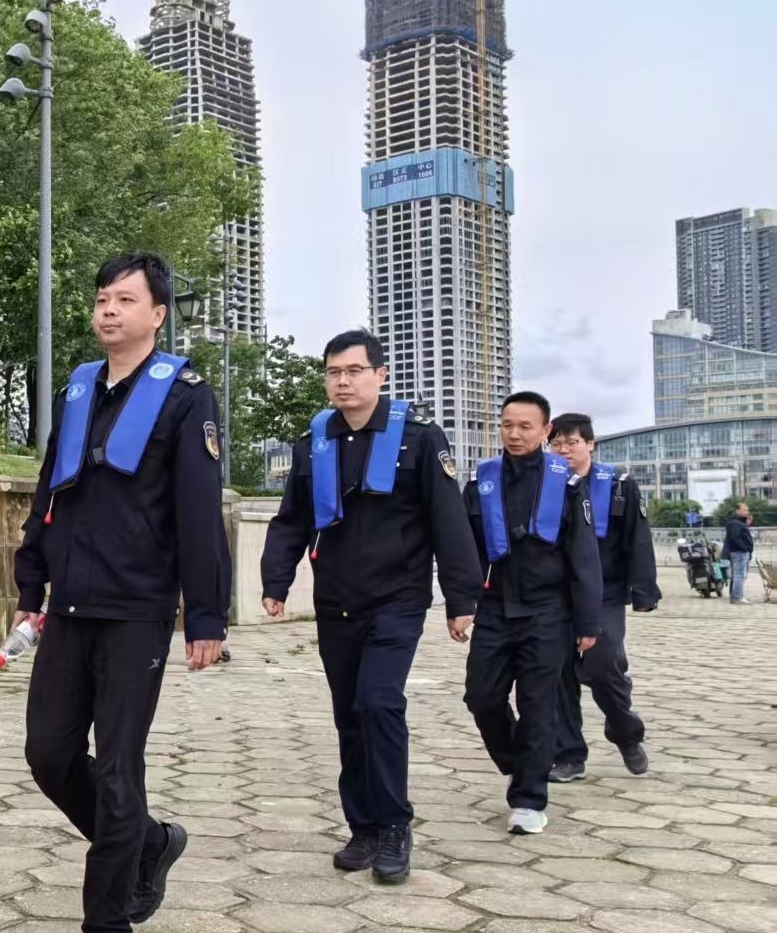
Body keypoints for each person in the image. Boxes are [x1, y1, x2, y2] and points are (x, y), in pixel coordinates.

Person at [13, 250, 230, 933]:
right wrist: (31, 583)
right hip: (71, 606)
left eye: (125, 299)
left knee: (117, 766)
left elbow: (200, 511)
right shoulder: (77, 388)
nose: (109, 309)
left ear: (158, 314)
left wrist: (205, 615)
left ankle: (109, 931)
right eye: (103, 297)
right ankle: (149, 842)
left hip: (138, 610)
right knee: (48, 753)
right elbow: (49, 494)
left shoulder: (185, 396)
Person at [260, 329, 482, 884]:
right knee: (349, 714)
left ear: (380, 375)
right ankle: (362, 827)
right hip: (336, 600)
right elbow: (291, 520)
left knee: (379, 703)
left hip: (397, 599)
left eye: (355, 370)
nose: (343, 381)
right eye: (334, 372)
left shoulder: (420, 439)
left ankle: (394, 825)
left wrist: (461, 599)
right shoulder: (314, 442)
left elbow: (449, 522)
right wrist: (275, 582)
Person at [462, 391, 602, 837]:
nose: (515, 434)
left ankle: (528, 799)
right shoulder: (481, 480)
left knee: (538, 705)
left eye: (525, 426)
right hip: (494, 608)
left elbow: (584, 556)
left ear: (546, 431)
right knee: (481, 697)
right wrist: (460, 603)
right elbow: (464, 549)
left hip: (548, 612)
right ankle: (519, 763)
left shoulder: (567, 484)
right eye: (507, 425)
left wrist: (587, 620)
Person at [546, 413, 659, 782]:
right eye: (557, 443)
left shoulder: (618, 487)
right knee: (558, 673)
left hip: (604, 594)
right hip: (555, 595)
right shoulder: (543, 484)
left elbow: (637, 539)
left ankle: (625, 732)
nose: (564, 450)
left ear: (590, 444)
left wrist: (644, 589)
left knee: (603, 664)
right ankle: (568, 755)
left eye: (572, 442)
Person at [724, 502, 755, 604]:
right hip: (739, 552)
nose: (747, 512)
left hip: (739, 552)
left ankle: (735, 596)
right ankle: (737, 597)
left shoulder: (738, 522)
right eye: (744, 510)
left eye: (747, 510)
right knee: (739, 575)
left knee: (738, 575)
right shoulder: (736, 523)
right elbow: (735, 538)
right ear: (737, 511)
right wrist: (744, 548)